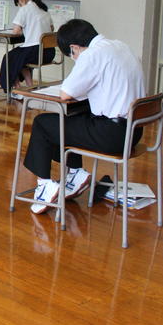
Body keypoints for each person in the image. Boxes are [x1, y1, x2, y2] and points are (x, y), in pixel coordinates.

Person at [23, 19, 146, 214]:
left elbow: (66, 94)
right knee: (70, 121)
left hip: (112, 136)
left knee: (43, 124)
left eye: (71, 56)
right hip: (134, 132)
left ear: (74, 48)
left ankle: (45, 184)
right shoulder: (121, 46)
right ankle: (75, 173)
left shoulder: (91, 54)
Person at [0, 0, 55, 96]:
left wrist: (23, 30)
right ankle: (30, 87)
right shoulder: (43, 9)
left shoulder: (25, 9)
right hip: (49, 52)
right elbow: (52, 29)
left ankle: (17, 89)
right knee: (19, 58)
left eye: (18, 3)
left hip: (35, 52)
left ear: (20, 0)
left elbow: (16, 31)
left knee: (9, 58)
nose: (19, 5)